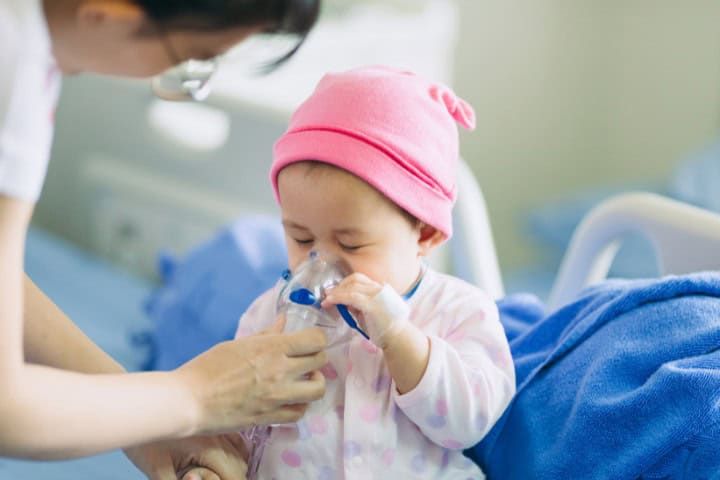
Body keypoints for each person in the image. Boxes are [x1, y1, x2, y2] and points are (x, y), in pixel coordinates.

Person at [0, 1, 329, 479]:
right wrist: (196, 396)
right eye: (196, 56)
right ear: (104, 15)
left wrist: (150, 427)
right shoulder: (15, 73)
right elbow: (8, 409)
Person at [234, 66, 516, 478]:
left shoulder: (460, 311)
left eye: (351, 244)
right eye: (300, 238)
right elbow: (238, 419)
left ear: (426, 233)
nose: (321, 262)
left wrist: (400, 338)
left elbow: (468, 424)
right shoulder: (270, 317)